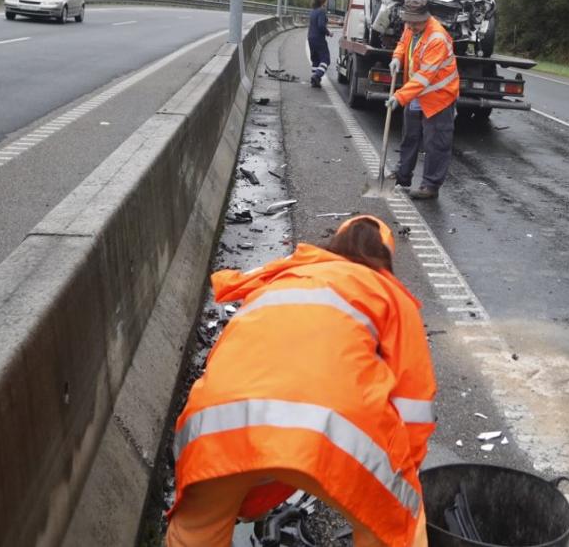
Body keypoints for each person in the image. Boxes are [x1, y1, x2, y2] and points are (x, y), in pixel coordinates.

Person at [167, 215, 436, 547]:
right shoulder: (389, 296)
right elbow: (414, 406)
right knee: (399, 528)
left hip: (214, 428)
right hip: (337, 434)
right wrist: (403, 476)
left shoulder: (277, 281)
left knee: (194, 533)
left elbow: (223, 365)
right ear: (385, 261)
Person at [387, 0, 459, 200]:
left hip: (438, 97)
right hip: (416, 93)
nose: (410, 26)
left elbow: (425, 76)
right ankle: (402, 175)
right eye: (408, 22)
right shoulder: (411, 27)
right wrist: (396, 58)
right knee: (409, 136)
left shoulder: (437, 38)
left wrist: (399, 96)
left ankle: (431, 185)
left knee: (436, 142)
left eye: (415, 23)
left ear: (426, 18)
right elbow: (403, 42)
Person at [308, 0, 332, 87]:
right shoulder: (322, 11)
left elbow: (323, 21)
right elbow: (321, 25)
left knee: (315, 60)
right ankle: (317, 76)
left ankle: (315, 81)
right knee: (326, 60)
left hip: (310, 38)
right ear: (323, 1)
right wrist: (328, 33)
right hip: (319, 38)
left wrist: (338, 23)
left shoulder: (313, 11)